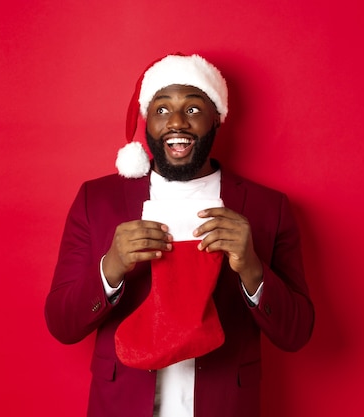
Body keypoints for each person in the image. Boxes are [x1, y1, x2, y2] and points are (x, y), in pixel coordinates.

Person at [45, 53, 314, 417]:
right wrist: (111, 268)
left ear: (216, 118)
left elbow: (296, 332)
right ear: (146, 121)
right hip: (122, 404)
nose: (176, 122)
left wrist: (252, 269)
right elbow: (63, 324)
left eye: (192, 109)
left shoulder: (268, 207)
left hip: (224, 406)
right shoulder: (97, 200)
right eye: (162, 109)